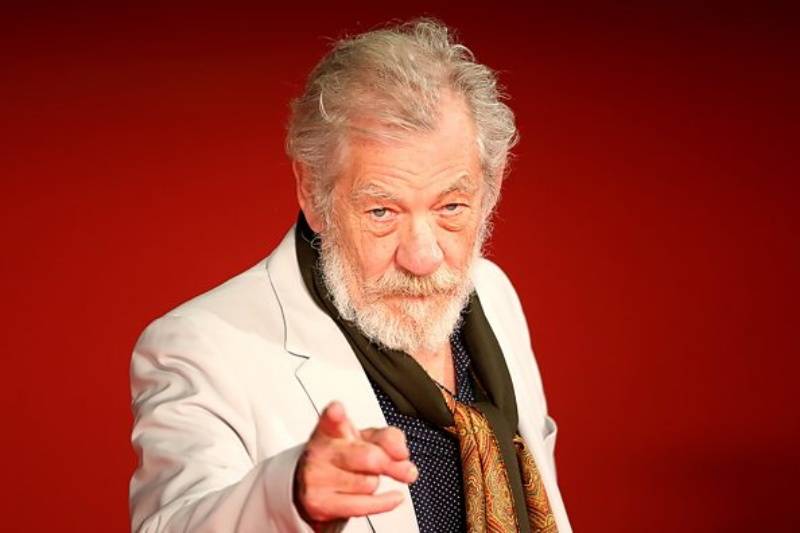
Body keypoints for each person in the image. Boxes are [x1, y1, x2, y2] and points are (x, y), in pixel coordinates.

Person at [129, 19, 571, 533]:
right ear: (312, 191)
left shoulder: (492, 293)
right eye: (382, 211)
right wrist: (290, 496)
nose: (423, 257)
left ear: (489, 189)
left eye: (451, 206)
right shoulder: (200, 346)